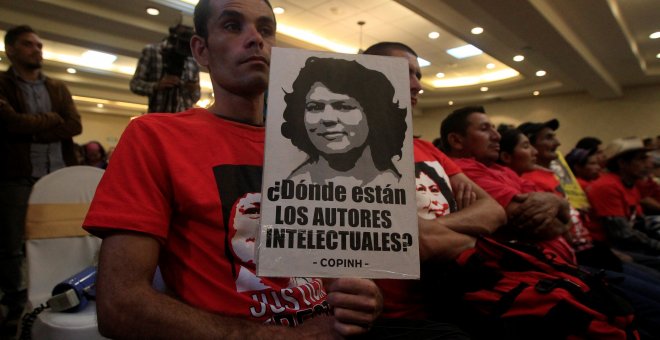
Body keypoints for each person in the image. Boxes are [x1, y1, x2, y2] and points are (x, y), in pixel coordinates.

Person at [83, 1, 382, 338]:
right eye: (232, 25)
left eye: (266, 29)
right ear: (201, 50)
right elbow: (120, 305)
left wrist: (361, 298)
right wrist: (285, 337)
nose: (256, 38)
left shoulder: (318, 145)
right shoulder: (155, 136)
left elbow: (338, 273)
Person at [363, 42, 506, 330]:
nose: (417, 85)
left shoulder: (427, 148)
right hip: (391, 315)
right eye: (407, 73)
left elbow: (494, 210)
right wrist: (469, 232)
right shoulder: (346, 146)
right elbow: (410, 241)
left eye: (419, 75)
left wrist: (430, 230)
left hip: (457, 293)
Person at [0, 25, 82, 333]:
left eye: (39, 44)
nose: (37, 49)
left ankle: (59, 288)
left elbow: (73, 125)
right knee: (10, 244)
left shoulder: (58, 88)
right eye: (28, 44)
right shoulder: (3, 83)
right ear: (11, 50)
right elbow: (7, 122)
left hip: (57, 173)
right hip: (15, 174)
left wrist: (27, 128)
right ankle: (15, 300)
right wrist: (50, 121)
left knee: (62, 237)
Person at [281, 57, 406, 186]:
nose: (328, 119)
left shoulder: (402, 185)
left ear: (372, 115)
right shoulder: (292, 185)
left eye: (343, 107)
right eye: (315, 107)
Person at [130, 24, 201, 113]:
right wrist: (157, 85)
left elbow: (196, 97)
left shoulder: (193, 60)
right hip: (158, 117)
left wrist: (193, 88)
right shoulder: (152, 51)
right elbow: (135, 84)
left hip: (183, 119)